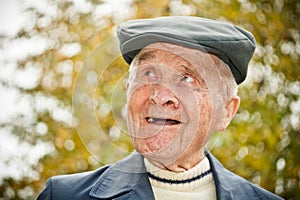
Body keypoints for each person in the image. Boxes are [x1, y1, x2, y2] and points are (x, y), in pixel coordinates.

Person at [37, 16, 283, 200]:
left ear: (226, 111)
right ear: (127, 91)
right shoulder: (62, 195)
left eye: (187, 78)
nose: (160, 95)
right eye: (149, 73)